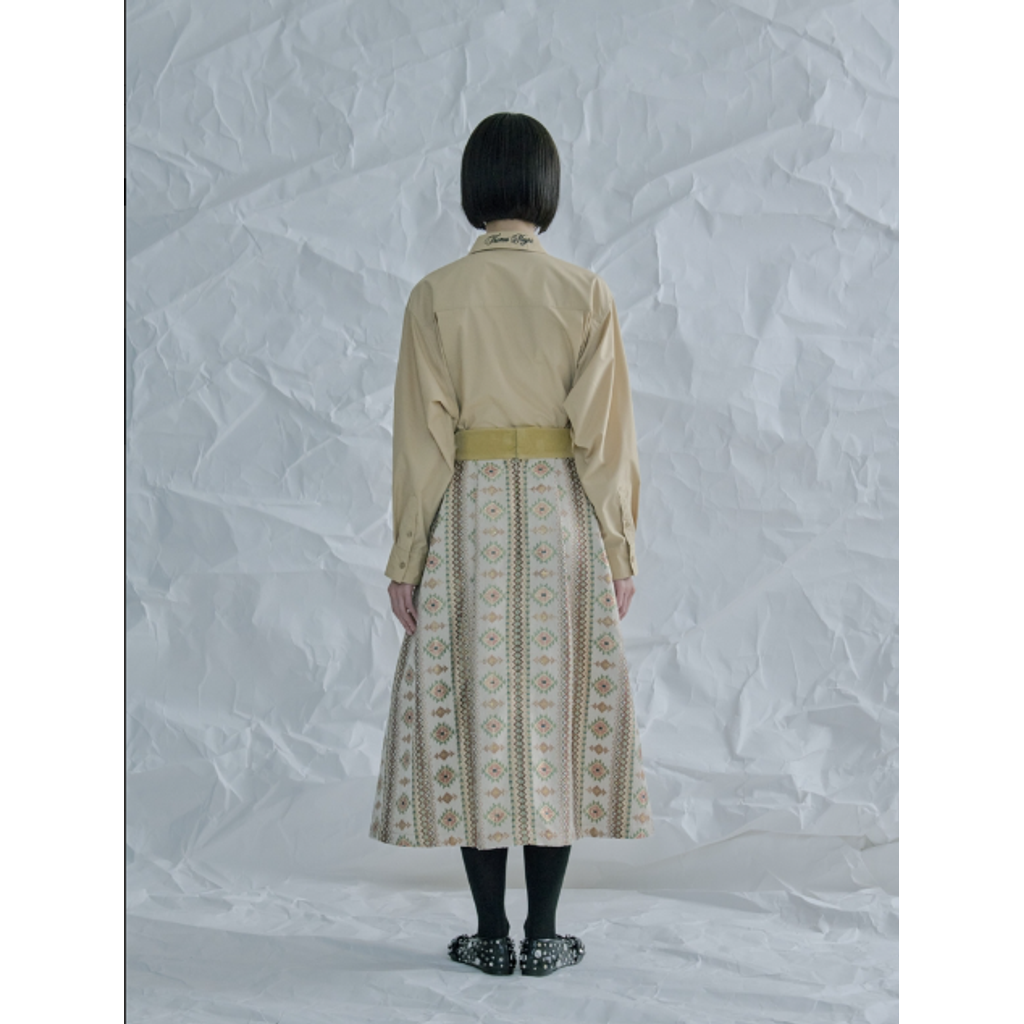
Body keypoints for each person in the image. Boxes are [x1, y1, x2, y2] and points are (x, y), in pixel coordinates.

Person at [369, 112, 652, 978]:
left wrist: (407, 557)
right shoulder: (585, 292)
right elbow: (607, 440)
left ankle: (490, 932)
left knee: (481, 723)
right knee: (555, 721)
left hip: (470, 522)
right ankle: (546, 934)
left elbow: (421, 442)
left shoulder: (435, 295)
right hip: (562, 516)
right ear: (546, 190)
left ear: (474, 189)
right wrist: (619, 548)